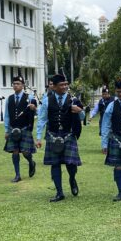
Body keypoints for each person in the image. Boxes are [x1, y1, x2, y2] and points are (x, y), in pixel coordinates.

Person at [36, 74, 85, 202]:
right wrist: (39, 137)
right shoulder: (47, 100)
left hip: (68, 134)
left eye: (65, 84)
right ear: (54, 87)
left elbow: (82, 116)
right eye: (61, 85)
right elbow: (42, 119)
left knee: (71, 163)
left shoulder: (73, 99)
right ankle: (59, 192)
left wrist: (79, 111)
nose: (64, 87)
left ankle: (72, 179)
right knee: (55, 164)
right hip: (53, 135)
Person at [4, 76, 38, 183]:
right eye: (14, 83)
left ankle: (31, 162)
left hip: (25, 128)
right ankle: (17, 175)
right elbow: (7, 115)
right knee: (15, 151)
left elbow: (38, 111)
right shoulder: (9, 99)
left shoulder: (30, 97)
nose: (15, 85)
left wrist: (34, 108)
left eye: (18, 83)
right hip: (13, 129)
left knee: (24, 152)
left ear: (23, 85)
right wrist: (6, 130)